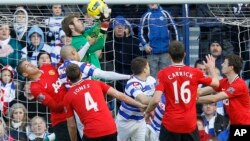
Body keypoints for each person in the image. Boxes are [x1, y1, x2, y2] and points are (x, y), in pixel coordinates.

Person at [144, 41, 219, 141]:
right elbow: (216, 84)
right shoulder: (195, 72)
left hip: (170, 124)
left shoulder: (163, 73)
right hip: (190, 124)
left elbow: (156, 99)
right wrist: (212, 68)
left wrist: (148, 112)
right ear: (184, 55)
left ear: (169, 56)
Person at [63, 63, 146, 141]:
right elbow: (120, 96)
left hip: (92, 133)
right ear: (81, 74)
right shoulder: (96, 83)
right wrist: (140, 104)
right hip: (110, 129)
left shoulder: (68, 96)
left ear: (68, 79)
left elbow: (72, 125)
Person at [16, 60, 70, 141]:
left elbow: (64, 65)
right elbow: (55, 107)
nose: (31, 65)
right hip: (62, 120)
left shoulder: (47, 67)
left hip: (75, 111)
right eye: (27, 66)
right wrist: (72, 98)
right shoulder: (35, 88)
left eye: (30, 63)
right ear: (25, 74)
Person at [198, 54, 250, 125]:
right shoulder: (225, 81)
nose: (222, 65)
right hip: (233, 123)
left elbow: (214, 98)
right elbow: (202, 91)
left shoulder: (239, 84)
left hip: (244, 124)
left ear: (231, 67)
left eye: (224, 63)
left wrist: (191, 100)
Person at [116, 57, 156, 141]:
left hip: (141, 120)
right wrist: (158, 99)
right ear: (145, 69)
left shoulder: (151, 80)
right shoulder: (132, 83)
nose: (149, 68)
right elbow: (143, 100)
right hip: (126, 122)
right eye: (148, 66)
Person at [58, 45, 131, 89]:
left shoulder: (59, 69)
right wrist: (128, 77)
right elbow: (104, 75)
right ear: (74, 52)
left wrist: (88, 44)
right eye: (77, 52)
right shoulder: (81, 66)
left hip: (74, 104)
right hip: (88, 101)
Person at [105, 15, 145, 92]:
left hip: (131, 74)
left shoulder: (133, 42)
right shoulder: (108, 42)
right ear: (113, 27)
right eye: (117, 25)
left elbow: (140, 60)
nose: (120, 27)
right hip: (115, 75)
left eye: (122, 25)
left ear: (125, 28)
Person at [138, 4, 178, 78]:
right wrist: (145, 45)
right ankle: (154, 90)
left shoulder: (165, 14)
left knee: (166, 76)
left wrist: (175, 46)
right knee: (152, 77)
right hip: (152, 52)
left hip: (166, 52)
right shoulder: (146, 16)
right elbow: (140, 33)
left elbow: (174, 29)